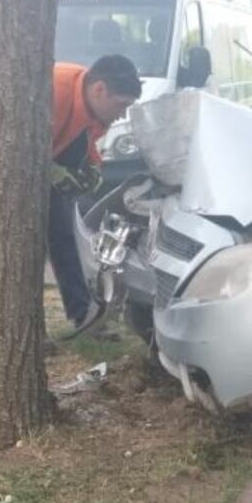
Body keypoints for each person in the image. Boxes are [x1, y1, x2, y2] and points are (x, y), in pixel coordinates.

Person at [50, 54, 142, 330]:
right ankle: (80, 311)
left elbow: (85, 137)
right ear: (99, 89)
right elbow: (15, 142)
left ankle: (82, 311)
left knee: (64, 231)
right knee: (50, 233)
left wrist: (92, 165)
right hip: (18, 164)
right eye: (121, 104)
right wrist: (50, 171)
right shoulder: (55, 91)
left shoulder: (92, 103)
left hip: (51, 155)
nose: (123, 114)